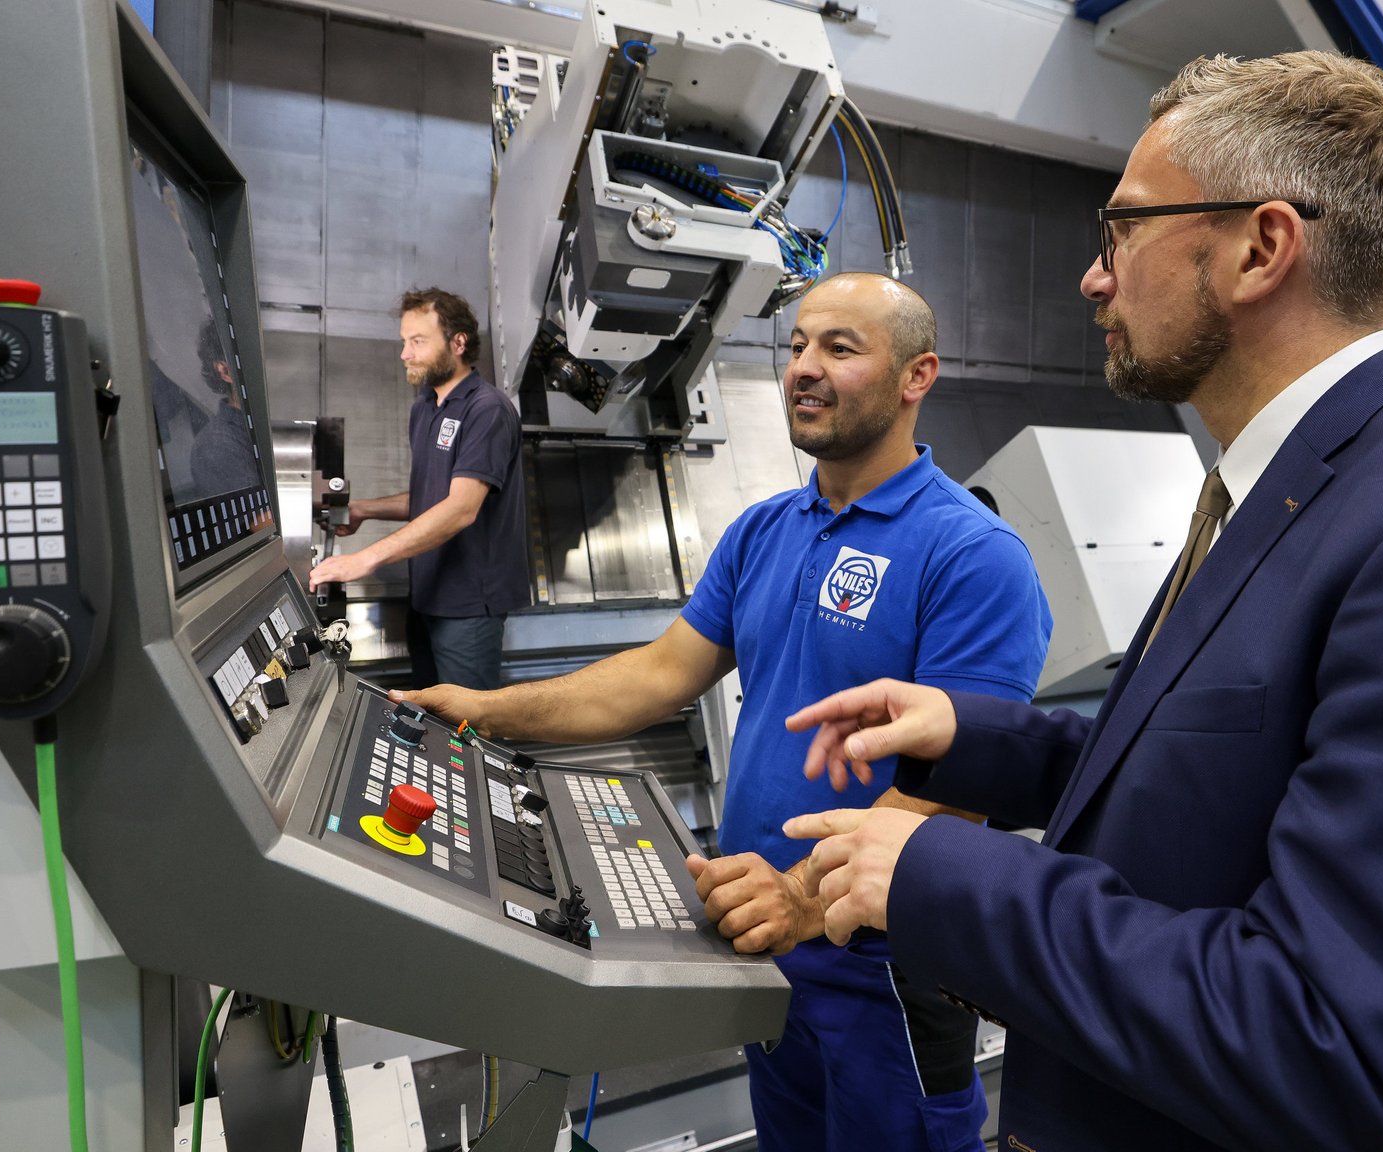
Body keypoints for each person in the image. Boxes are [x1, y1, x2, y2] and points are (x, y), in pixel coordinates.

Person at [783, 52, 1383, 1152]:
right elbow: (1223, 790)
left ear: (1260, 248)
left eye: (1120, 230)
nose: (1093, 276)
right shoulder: (1276, 489)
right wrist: (975, 739)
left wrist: (944, 875)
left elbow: (1360, 1054)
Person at [398, 272, 1052, 1152]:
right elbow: (658, 675)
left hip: (880, 967)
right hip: (763, 941)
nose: (804, 369)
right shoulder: (764, 530)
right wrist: (488, 710)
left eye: (840, 349)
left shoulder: (971, 555)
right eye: (796, 346)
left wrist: (800, 894)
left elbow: (961, 788)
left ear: (916, 377)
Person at [309, 288, 528, 690]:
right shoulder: (424, 408)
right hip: (425, 598)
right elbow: (431, 499)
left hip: (468, 608)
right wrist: (364, 509)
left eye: (418, 341)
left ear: (458, 342)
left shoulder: (487, 409)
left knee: (468, 734)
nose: (404, 354)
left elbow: (461, 508)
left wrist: (365, 560)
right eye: (403, 342)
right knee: (429, 723)